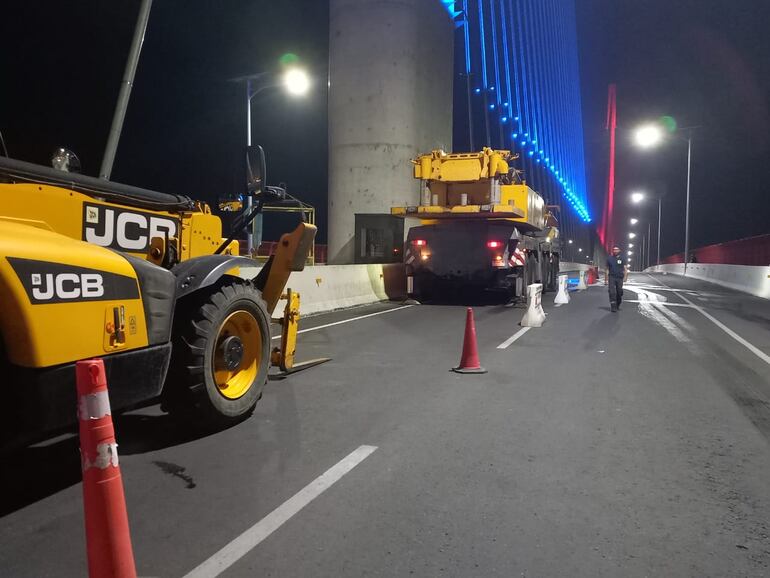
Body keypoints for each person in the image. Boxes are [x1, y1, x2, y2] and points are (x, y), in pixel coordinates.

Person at [605, 246, 628, 312]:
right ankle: (613, 306)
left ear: (619, 250)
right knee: (612, 292)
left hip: (620, 277)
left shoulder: (622, 258)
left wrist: (625, 277)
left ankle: (618, 303)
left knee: (619, 292)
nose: (615, 251)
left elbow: (625, 269)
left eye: (616, 249)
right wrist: (606, 279)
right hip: (611, 277)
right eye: (614, 249)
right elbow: (606, 270)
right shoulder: (609, 258)